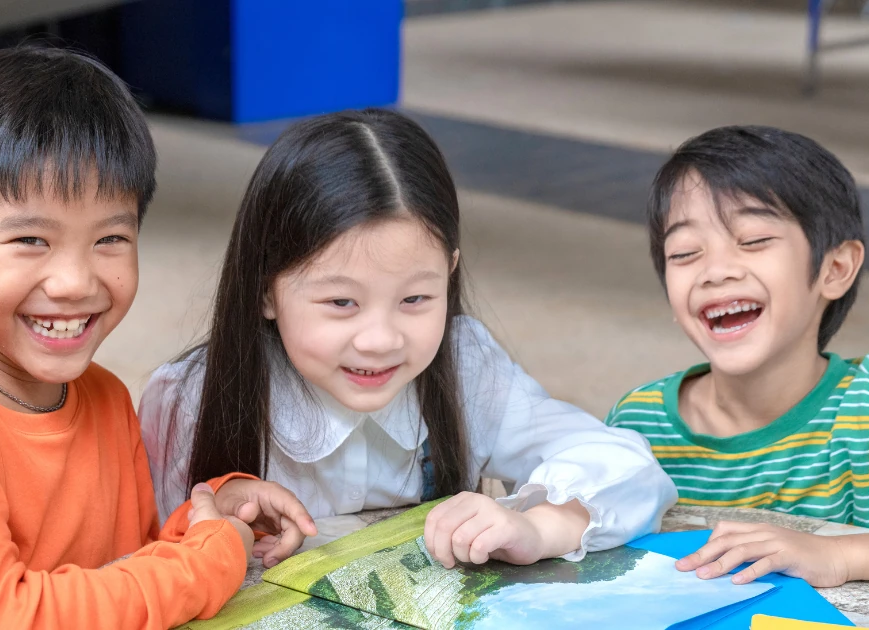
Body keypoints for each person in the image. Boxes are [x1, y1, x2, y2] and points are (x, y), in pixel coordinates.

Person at [141, 108, 677, 571]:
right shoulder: (188, 397)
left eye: (415, 300)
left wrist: (539, 528)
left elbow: (626, 467)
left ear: (449, 273)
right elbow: (140, 567)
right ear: (265, 291)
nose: (379, 340)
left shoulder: (465, 366)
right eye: (341, 303)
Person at [0, 47, 315, 630]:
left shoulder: (106, 396)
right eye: (31, 241)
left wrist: (206, 519)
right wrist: (207, 560)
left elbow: (129, 569)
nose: (75, 282)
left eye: (110, 239)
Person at [605, 125, 869, 587]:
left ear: (836, 268)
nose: (716, 271)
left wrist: (838, 556)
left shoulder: (864, 406)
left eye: (753, 241)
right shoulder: (639, 423)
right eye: (685, 253)